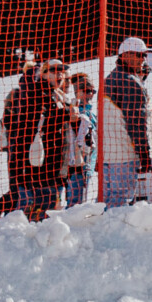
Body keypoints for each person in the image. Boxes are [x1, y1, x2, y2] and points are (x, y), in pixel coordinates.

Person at [0, 58, 72, 224]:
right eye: (54, 70)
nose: (60, 73)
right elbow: (34, 121)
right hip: (31, 162)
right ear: (43, 74)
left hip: (45, 161)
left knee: (32, 202)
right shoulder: (34, 92)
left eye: (62, 70)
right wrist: (66, 115)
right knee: (27, 204)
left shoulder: (53, 94)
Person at [100, 36, 152, 205]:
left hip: (107, 155)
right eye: (139, 55)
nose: (143, 60)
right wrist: (145, 154)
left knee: (107, 201)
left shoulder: (108, 80)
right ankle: (115, 232)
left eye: (144, 56)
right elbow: (137, 124)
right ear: (125, 55)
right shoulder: (131, 83)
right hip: (124, 153)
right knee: (122, 200)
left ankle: (103, 231)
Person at [61, 71, 98, 207]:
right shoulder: (75, 112)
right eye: (88, 91)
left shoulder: (90, 113)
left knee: (80, 200)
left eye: (93, 91)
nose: (91, 94)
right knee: (76, 202)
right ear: (78, 92)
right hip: (78, 164)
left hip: (88, 163)